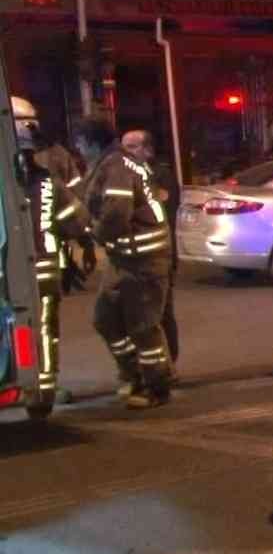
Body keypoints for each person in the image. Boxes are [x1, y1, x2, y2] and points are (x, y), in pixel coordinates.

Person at [85, 129, 176, 409]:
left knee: (144, 326)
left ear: (90, 143)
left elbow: (116, 212)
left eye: (80, 143)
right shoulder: (118, 164)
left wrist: (96, 233)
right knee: (105, 318)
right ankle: (134, 373)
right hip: (124, 258)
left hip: (144, 261)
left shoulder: (116, 165)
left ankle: (157, 387)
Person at [13, 106, 96, 409]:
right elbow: (76, 217)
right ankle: (44, 391)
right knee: (46, 331)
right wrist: (86, 243)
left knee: (15, 329)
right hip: (46, 267)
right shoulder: (49, 181)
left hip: (9, 274)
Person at [132, 133, 182, 369]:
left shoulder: (160, 174)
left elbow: (161, 203)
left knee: (162, 312)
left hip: (161, 253)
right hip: (141, 256)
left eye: (133, 147)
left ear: (148, 150)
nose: (127, 153)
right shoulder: (132, 174)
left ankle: (169, 363)